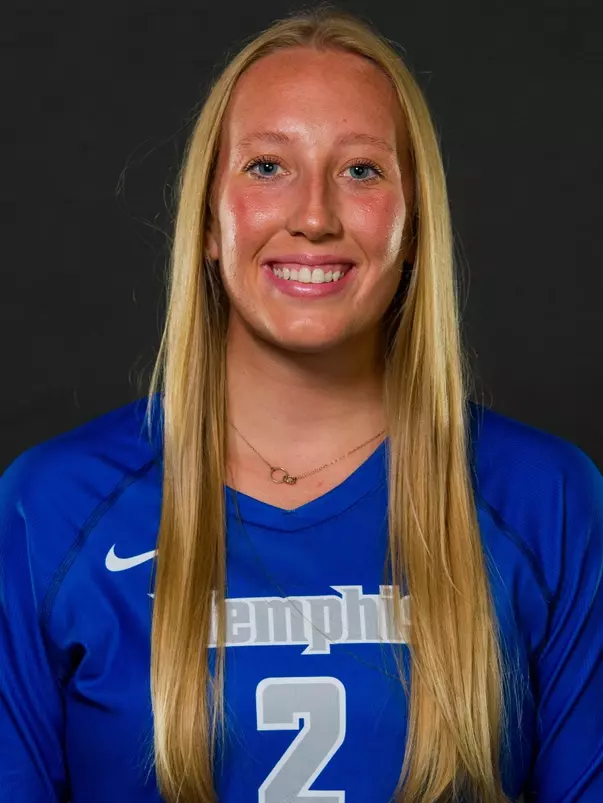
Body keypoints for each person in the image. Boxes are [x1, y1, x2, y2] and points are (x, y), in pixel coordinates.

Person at [1, 6, 602, 803]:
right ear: (209, 221)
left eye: (361, 170)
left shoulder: (546, 501)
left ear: (414, 223)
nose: (313, 216)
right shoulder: (50, 510)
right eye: (266, 166)